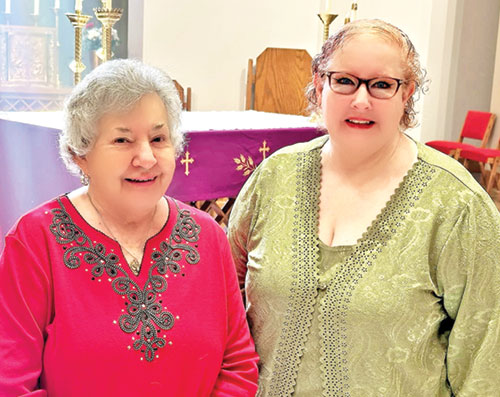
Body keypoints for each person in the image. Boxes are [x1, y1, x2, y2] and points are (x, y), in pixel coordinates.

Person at [228, 19, 500, 396]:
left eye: (382, 85)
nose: (360, 100)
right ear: (320, 83)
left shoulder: (456, 205)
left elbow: (486, 356)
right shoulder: (274, 178)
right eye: (344, 80)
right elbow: (221, 305)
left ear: (407, 94)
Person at [0, 59, 258, 396]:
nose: (146, 158)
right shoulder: (36, 239)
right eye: (123, 141)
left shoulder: (207, 236)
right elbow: (10, 380)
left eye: (158, 138)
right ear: (81, 154)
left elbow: (238, 364)